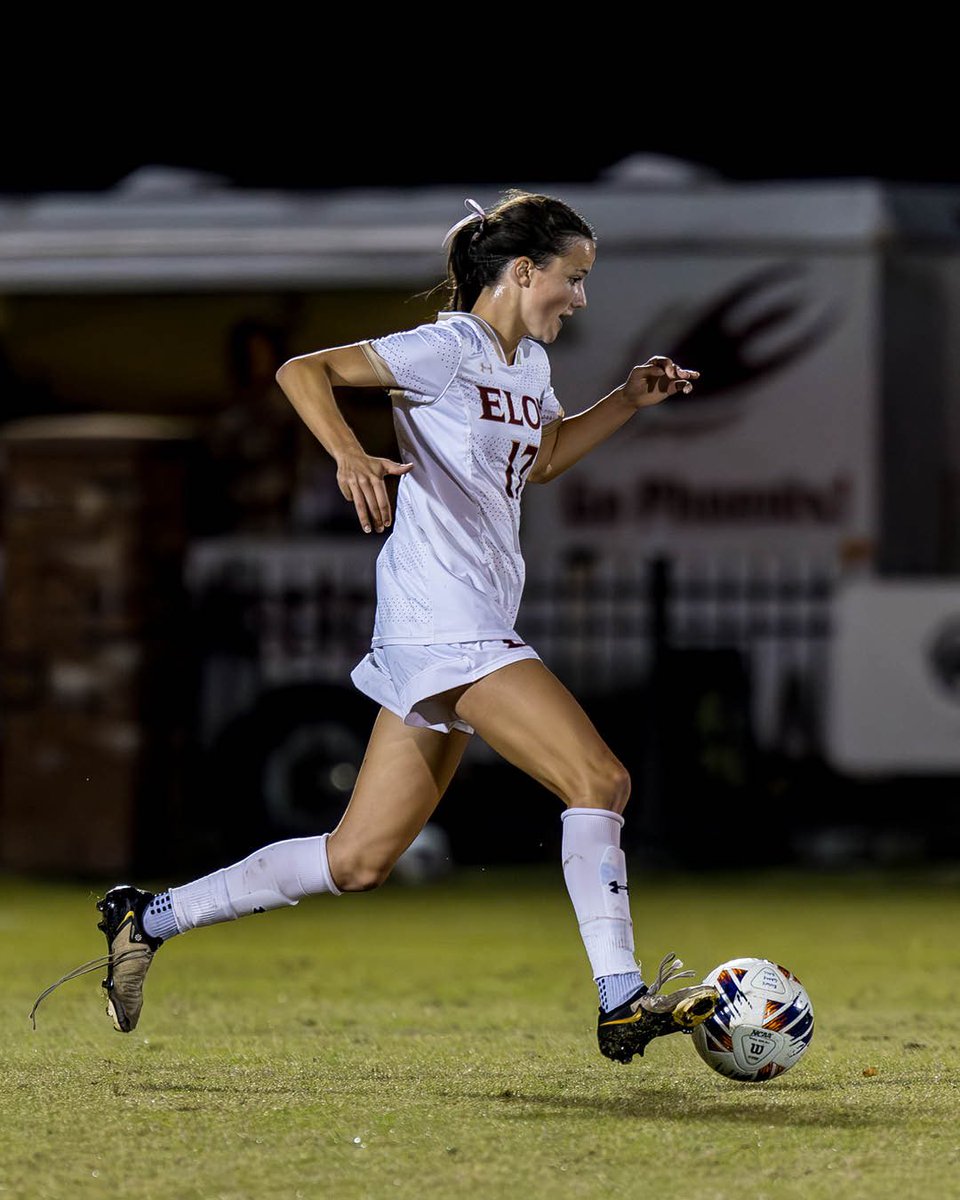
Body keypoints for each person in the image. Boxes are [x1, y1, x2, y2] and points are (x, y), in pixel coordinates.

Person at [38, 191, 717, 1064]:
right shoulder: (447, 347)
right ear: (522, 272)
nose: (580, 299)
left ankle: (147, 916)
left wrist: (625, 400)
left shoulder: (529, 370)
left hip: (450, 627)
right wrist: (349, 454)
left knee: (356, 860)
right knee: (601, 780)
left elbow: (539, 461)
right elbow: (301, 372)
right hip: (446, 621)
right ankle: (621, 997)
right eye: (573, 279)